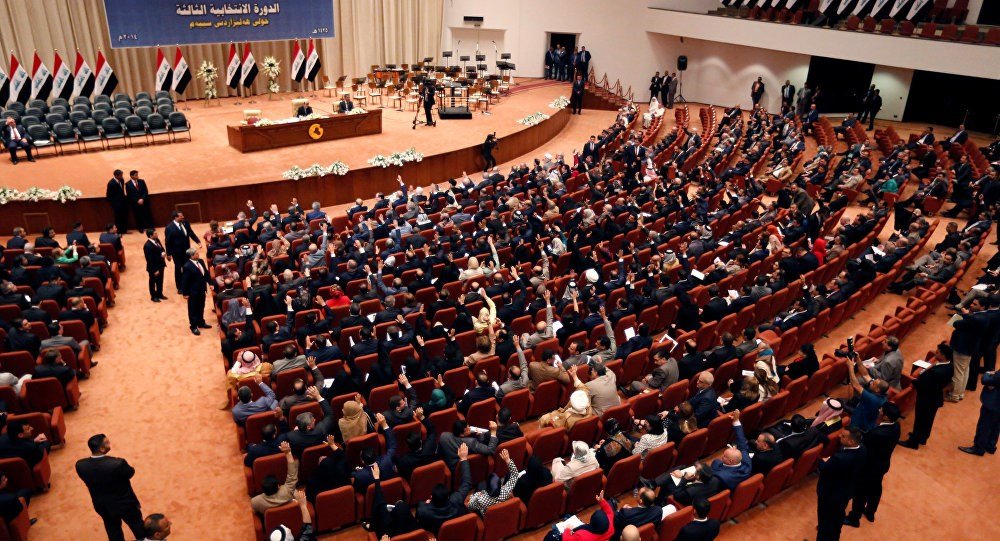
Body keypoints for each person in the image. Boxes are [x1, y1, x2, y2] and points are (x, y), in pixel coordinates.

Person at [75, 434, 144, 541]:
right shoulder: (118, 463)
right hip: (125, 504)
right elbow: (130, 473)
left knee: (113, 529)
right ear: (102, 449)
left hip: (103, 505)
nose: (109, 444)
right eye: (107, 443)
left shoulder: (80, 465)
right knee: (137, 525)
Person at [845, 403, 900, 527]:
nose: (879, 411)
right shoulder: (896, 426)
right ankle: (870, 512)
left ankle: (854, 518)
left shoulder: (877, 433)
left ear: (885, 417)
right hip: (883, 465)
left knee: (860, 492)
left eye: (881, 410)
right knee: (876, 489)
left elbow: (863, 446)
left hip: (869, 467)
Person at [900, 343, 954, 449]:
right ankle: (922, 438)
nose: (935, 354)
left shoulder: (936, 372)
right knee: (928, 420)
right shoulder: (950, 365)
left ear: (943, 355)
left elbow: (923, 384)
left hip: (927, 399)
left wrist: (913, 380)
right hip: (935, 397)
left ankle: (913, 442)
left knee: (920, 420)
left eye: (937, 352)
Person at [816, 427, 866, 541]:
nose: (839, 436)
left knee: (824, 523)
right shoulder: (862, 449)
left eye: (843, 436)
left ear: (851, 441)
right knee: (836, 522)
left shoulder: (839, 458)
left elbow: (825, 470)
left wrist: (821, 461)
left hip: (830, 495)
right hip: (846, 492)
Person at [415, 443, 472, 534]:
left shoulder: (423, 510)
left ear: (431, 497)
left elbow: (420, 524)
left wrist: (427, 505)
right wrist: (464, 459)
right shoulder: (456, 500)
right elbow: (466, 482)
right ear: (448, 497)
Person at [958, 369, 1000, 456]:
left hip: (993, 402)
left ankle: (978, 448)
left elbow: (985, 380)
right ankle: (990, 446)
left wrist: (987, 373)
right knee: (996, 425)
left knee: (984, 426)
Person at [251, 441, 297, 514]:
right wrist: (288, 453)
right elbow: (292, 473)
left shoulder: (255, 502)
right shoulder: (288, 491)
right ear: (278, 486)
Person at [164, 210, 201, 294]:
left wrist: (198, 241)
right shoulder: (169, 228)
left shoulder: (185, 223)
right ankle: (179, 287)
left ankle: (188, 283)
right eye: (181, 216)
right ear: (176, 217)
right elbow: (168, 242)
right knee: (178, 269)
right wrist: (168, 254)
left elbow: (191, 233)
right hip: (177, 253)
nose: (183, 217)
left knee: (187, 267)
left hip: (187, 251)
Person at [180, 248, 212, 335]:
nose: (198, 254)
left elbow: (206, 273)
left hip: (202, 289)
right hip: (192, 292)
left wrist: (210, 283)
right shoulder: (187, 266)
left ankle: (201, 322)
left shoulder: (201, 261)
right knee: (193, 309)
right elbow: (184, 281)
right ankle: (194, 326)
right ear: (192, 256)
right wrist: (185, 293)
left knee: (201, 306)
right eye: (196, 254)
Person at [143, 229, 168, 303]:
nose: (157, 234)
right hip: (153, 268)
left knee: (160, 280)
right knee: (153, 282)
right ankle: (153, 297)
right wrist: (154, 270)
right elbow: (149, 259)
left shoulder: (157, 240)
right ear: (151, 236)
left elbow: (162, 248)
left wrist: (163, 252)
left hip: (161, 265)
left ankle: (159, 294)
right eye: (155, 233)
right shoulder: (147, 246)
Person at [106, 169, 129, 234]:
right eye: (121, 175)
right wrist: (113, 204)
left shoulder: (122, 180)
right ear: (116, 176)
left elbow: (122, 191)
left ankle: (124, 230)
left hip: (123, 203)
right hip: (116, 205)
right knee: (118, 218)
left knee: (124, 217)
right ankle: (119, 231)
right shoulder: (111, 183)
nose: (122, 176)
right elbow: (108, 195)